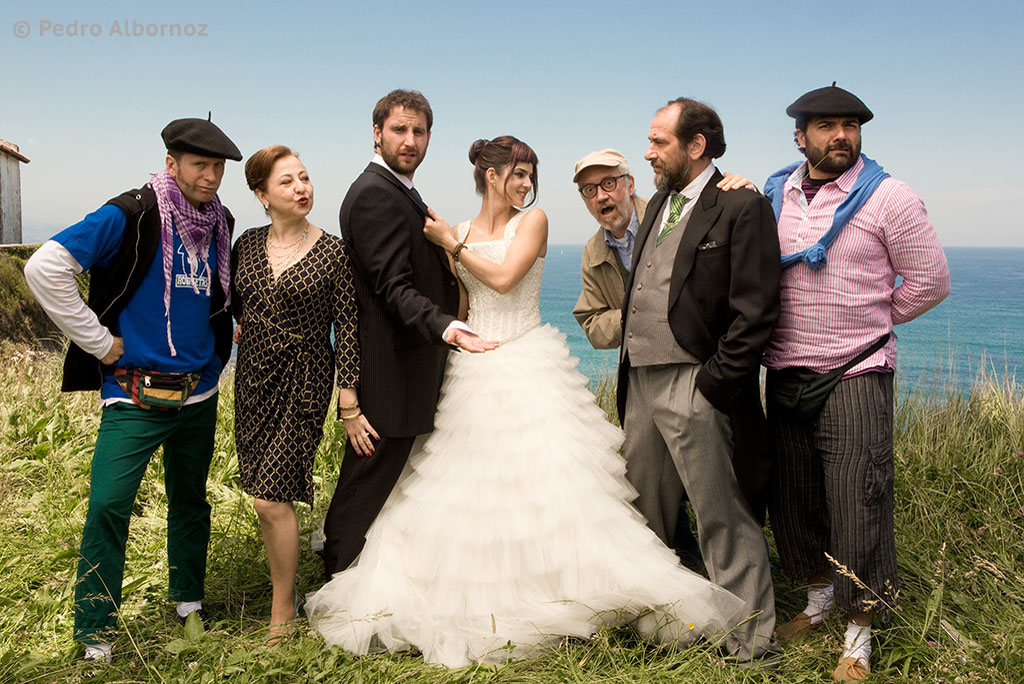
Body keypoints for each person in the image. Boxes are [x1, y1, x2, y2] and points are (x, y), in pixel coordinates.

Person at [305, 135, 745, 667]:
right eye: (518, 174)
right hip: (472, 365)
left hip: (527, 358)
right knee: (466, 487)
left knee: (547, 485)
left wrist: (451, 246)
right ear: (491, 176)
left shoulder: (531, 222)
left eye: (530, 175)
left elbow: (504, 278)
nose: (527, 184)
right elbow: (461, 302)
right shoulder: (459, 230)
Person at [23, 116, 241, 663]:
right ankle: (95, 631)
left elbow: (214, 295)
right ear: (171, 163)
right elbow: (45, 267)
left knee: (190, 500)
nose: (211, 176)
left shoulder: (219, 220)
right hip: (134, 394)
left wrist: (221, 345)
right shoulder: (134, 213)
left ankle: (188, 600)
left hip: (199, 391)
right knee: (108, 506)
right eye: (199, 165)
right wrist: (98, 342)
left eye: (218, 167)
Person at [762, 84, 950, 683]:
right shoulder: (774, 194)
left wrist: (872, 319)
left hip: (856, 370)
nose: (840, 134)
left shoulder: (891, 197)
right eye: (825, 125)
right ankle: (818, 602)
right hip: (784, 368)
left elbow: (930, 280)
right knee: (795, 497)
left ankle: (859, 633)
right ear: (800, 136)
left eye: (850, 124)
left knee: (858, 501)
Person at [616, 98, 782, 665]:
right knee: (645, 512)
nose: (648, 152)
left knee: (722, 517)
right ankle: (664, 628)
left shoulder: (741, 205)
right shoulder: (657, 204)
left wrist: (713, 385)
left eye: (658, 141)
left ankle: (751, 645)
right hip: (640, 383)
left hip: (696, 384)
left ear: (696, 146)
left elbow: (755, 311)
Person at [321, 90, 497, 579]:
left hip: (402, 368)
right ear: (377, 133)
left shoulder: (398, 189)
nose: (410, 140)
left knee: (380, 483)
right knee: (366, 485)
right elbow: (392, 287)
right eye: (399, 129)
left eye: (419, 131)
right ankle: (336, 581)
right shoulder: (375, 193)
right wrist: (447, 326)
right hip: (390, 371)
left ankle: (350, 572)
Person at [571, 148, 753, 567]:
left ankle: (735, 573)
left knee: (717, 485)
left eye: (609, 183)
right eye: (589, 191)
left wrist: (745, 189)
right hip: (642, 377)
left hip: (699, 369)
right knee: (649, 488)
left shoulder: (670, 213)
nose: (602, 196)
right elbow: (593, 323)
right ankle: (674, 569)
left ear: (630, 183)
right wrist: (641, 316)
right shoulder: (593, 252)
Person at [231, 146, 372, 642]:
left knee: (271, 497)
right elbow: (237, 302)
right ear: (262, 195)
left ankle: (282, 609)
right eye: (287, 182)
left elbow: (348, 328)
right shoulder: (246, 243)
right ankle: (285, 588)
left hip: (304, 381)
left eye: (305, 178)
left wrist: (348, 399)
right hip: (252, 380)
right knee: (262, 496)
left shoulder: (334, 251)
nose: (301, 188)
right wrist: (243, 326)